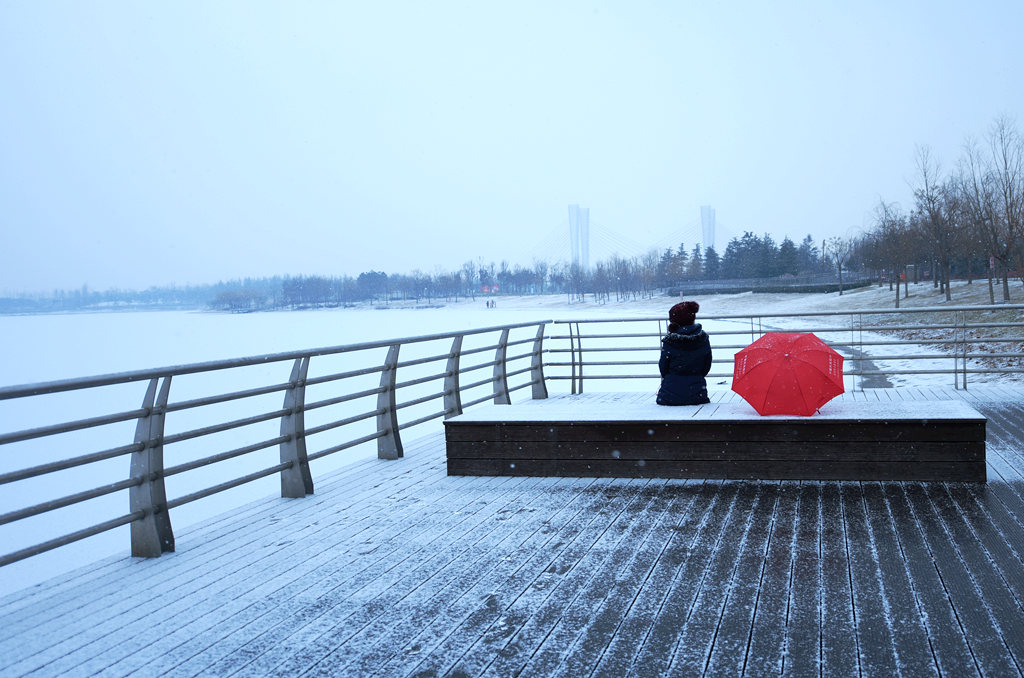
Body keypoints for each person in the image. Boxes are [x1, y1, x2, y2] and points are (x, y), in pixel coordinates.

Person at [656, 300, 712, 405]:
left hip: (669, 396)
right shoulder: (703, 339)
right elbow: (706, 366)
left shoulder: (670, 341)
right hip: (697, 395)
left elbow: (663, 367)